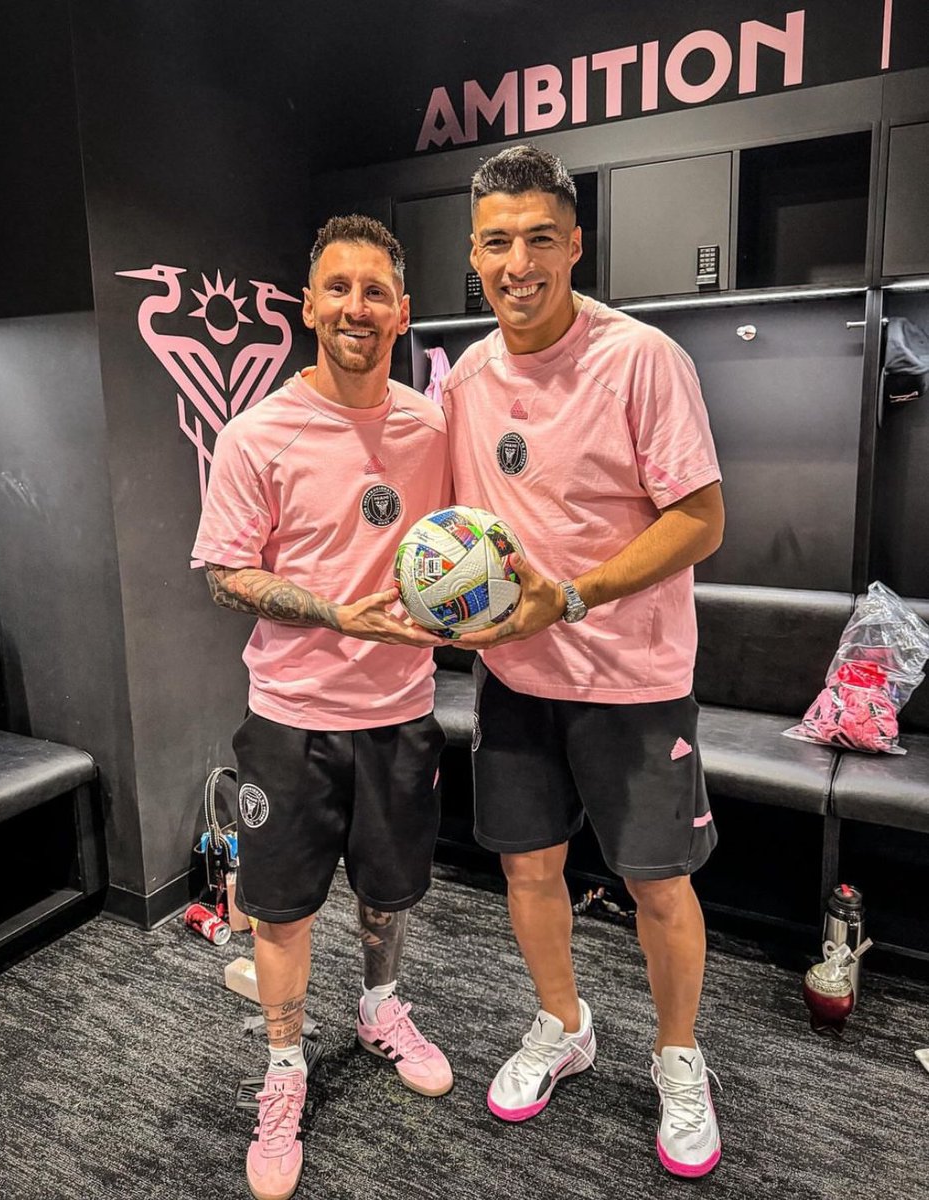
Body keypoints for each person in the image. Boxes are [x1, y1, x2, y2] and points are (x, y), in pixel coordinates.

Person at [442, 145, 726, 1178]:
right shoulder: (466, 375)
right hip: (516, 681)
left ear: (574, 244)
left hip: (633, 679)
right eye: (496, 241)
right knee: (528, 867)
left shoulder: (642, 359)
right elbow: (464, 524)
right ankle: (563, 1024)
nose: (518, 262)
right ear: (472, 253)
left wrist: (572, 595)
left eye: (538, 238)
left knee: (656, 883)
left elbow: (700, 520)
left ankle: (678, 1054)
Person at [193, 215, 453, 1200]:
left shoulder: (431, 425)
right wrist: (339, 612)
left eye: (375, 290)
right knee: (283, 910)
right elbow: (225, 573)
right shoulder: (256, 432)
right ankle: (286, 1064)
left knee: (390, 890)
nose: (356, 306)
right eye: (337, 287)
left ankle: (382, 1009)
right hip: (291, 717)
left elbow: (462, 542)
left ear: (401, 310)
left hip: (402, 712)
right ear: (309, 303)